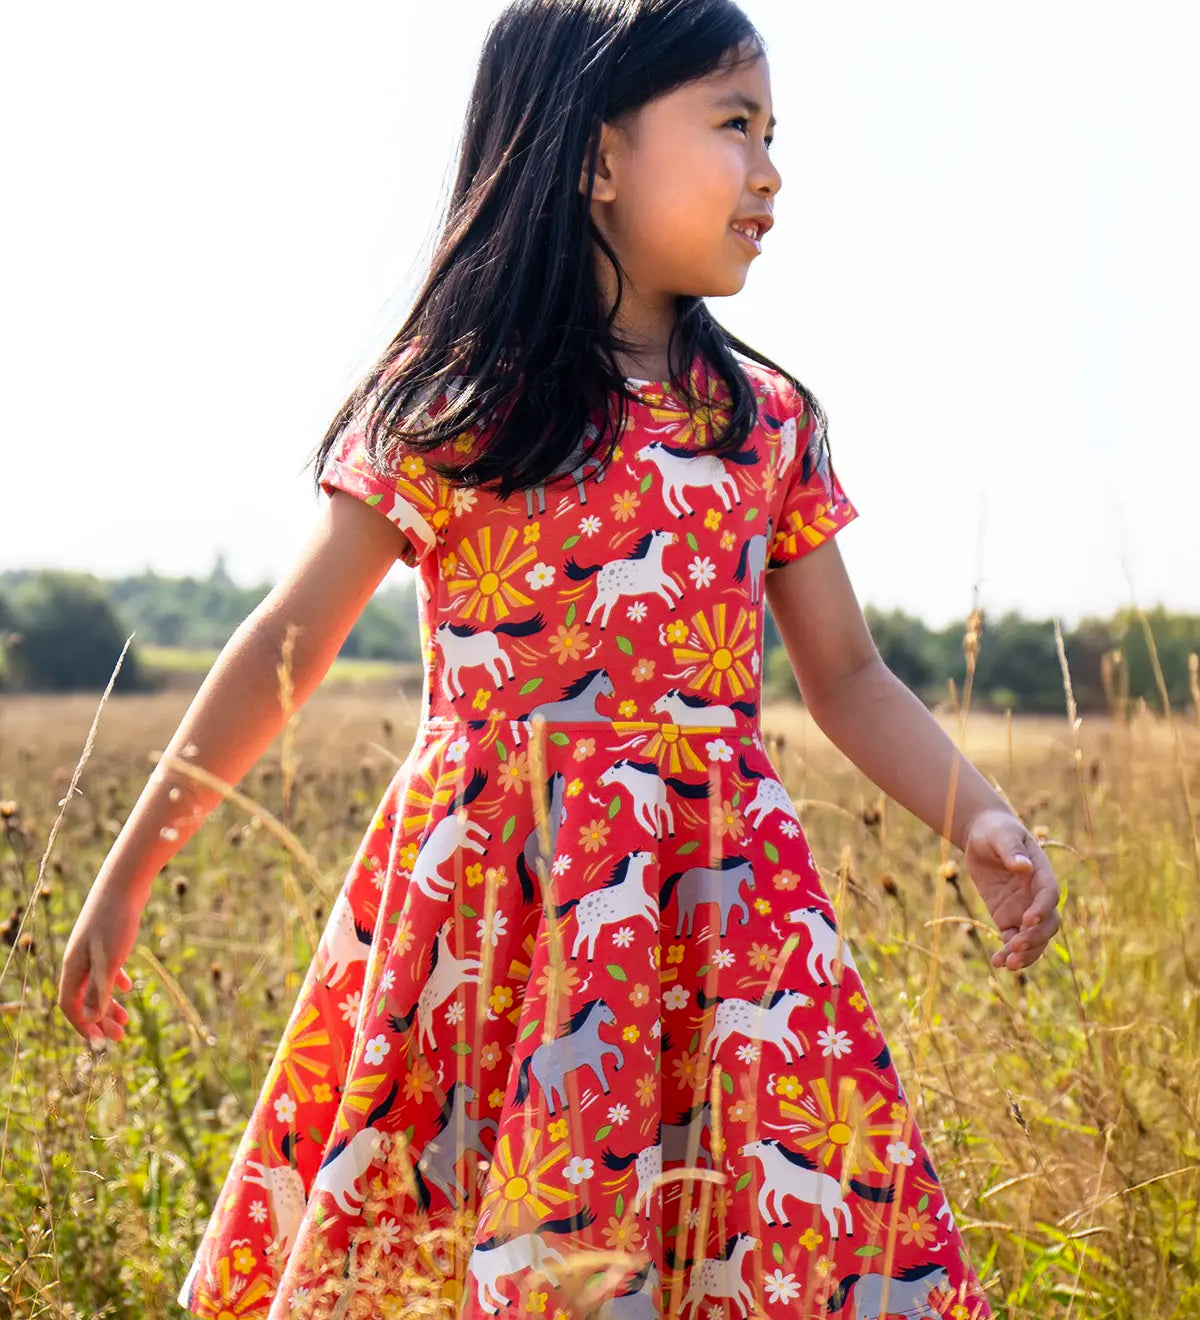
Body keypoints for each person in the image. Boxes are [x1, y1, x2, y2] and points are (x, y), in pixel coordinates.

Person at [58, 2, 1060, 1317]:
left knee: (749, 1253)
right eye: (734, 126)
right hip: (496, 923)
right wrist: (131, 870)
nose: (770, 171)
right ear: (596, 157)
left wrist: (973, 807)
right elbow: (285, 652)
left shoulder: (762, 423)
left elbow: (849, 678)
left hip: (719, 918)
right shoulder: (460, 401)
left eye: (775, 133)